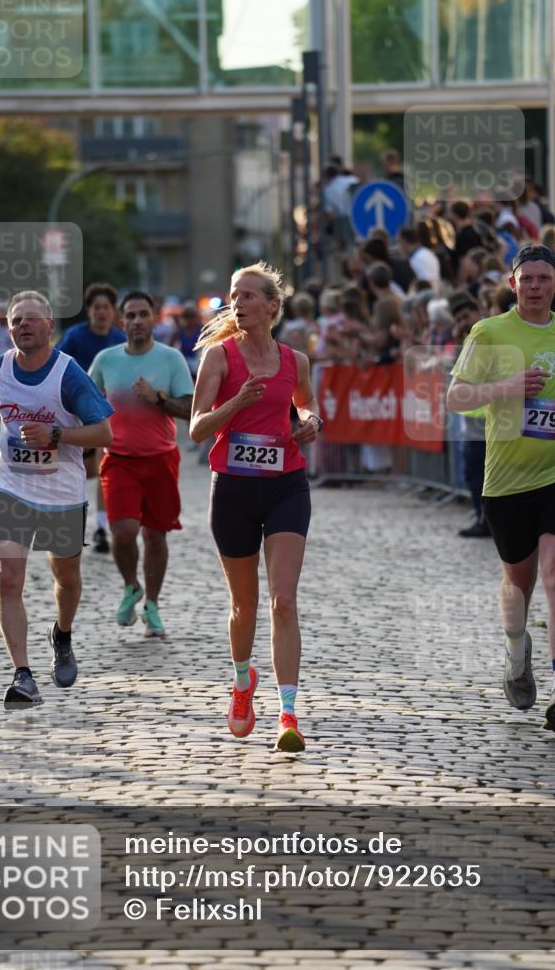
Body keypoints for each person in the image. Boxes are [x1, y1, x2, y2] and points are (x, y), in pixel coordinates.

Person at [447, 245, 555, 734]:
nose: (534, 286)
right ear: (513, 285)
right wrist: (505, 387)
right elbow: (456, 396)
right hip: (508, 478)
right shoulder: (488, 333)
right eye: (525, 278)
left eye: (543, 278)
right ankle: (516, 649)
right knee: (519, 583)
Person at [190, 261, 321, 753]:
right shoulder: (220, 359)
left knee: (283, 601)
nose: (238, 303)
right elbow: (199, 428)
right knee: (244, 605)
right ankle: (243, 682)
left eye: (248, 296)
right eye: (233, 295)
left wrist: (310, 421)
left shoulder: (296, 361)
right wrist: (236, 404)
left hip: (287, 483)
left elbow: (304, 405)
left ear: (272, 306)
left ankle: (289, 713)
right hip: (234, 489)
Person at [0, 291, 113, 709]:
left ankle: (62, 634)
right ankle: (23, 675)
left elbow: (104, 433)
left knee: (66, 578)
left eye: (32, 320)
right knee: (7, 577)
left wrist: (57, 435)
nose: (23, 326)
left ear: (50, 327)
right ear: (8, 327)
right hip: (11, 486)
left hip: (61, 492)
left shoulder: (69, 375)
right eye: (16, 321)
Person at [89, 291, 194, 638]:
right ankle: (130, 585)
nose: (136, 321)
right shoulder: (106, 360)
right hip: (119, 459)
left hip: (161, 458)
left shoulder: (171, 359)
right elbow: (87, 401)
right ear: (122, 322)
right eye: (130, 316)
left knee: (156, 538)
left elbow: (189, 407)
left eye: (143, 314)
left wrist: (158, 398)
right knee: (123, 534)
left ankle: (152, 604)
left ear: (154, 318)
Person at [57, 283, 126, 553]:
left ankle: (99, 528)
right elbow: (56, 365)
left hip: (104, 414)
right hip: (73, 412)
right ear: (89, 311)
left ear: (113, 311)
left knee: (102, 466)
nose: (100, 312)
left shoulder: (120, 341)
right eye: (96, 307)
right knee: (81, 472)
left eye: (105, 307)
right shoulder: (75, 336)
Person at [449, 291, 489, 538]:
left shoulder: (487, 338)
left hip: (485, 418)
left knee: (480, 474)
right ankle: (481, 516)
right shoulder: (469, 340)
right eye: (459, 319)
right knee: (472, 473)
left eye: (466, 316)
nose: (463, 322)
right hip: (470, 418)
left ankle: (486, 520)